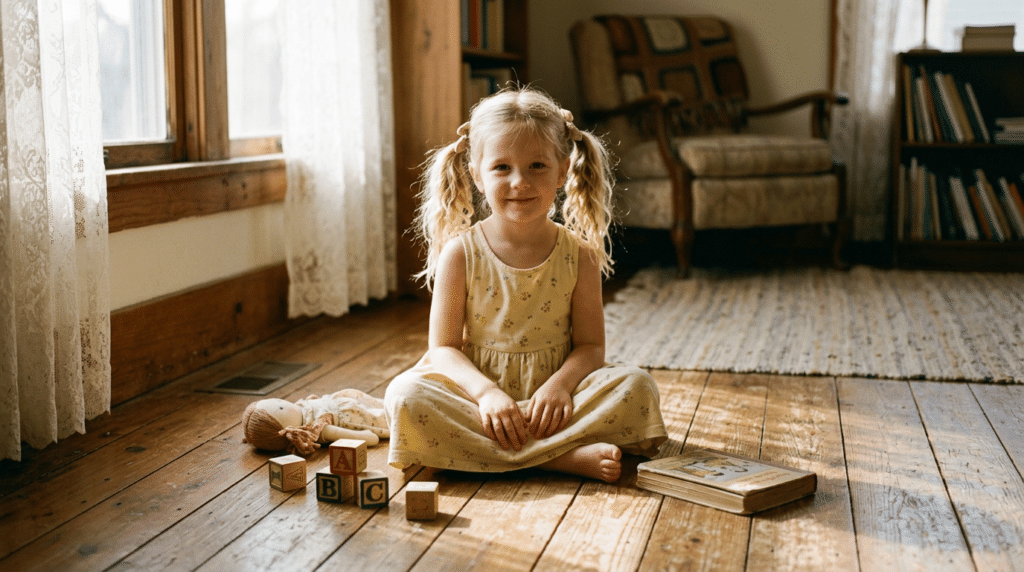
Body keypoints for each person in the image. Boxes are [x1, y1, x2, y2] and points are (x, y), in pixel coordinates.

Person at [383, 87, 667, 482]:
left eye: (537, 165)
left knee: (638, 388)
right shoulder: (460, 254)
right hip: (477, 396)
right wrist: (487, 395)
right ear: (476, 175)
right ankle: (560, 458)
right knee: (406, 397)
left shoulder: (579, 254)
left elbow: (591, 346)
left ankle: (489, 453)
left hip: (555, 399)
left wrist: (559, 389)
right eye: (502, 167)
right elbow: (443, 348)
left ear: (563, 171)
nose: (521, 181)